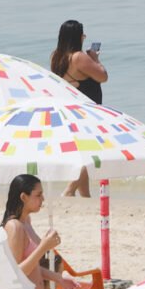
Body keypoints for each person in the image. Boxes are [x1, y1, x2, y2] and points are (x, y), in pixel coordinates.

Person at [50, 19, 108, 198]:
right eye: (82, 35)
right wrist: (96, 59)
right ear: (78, 37)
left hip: (71, 108)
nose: (84, 37)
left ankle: (85, 195)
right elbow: (103, 76)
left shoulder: (57, 57)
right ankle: (69, 189)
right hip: (87, 110)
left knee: (84, 150)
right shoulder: (78, 57)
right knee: (93, 151)